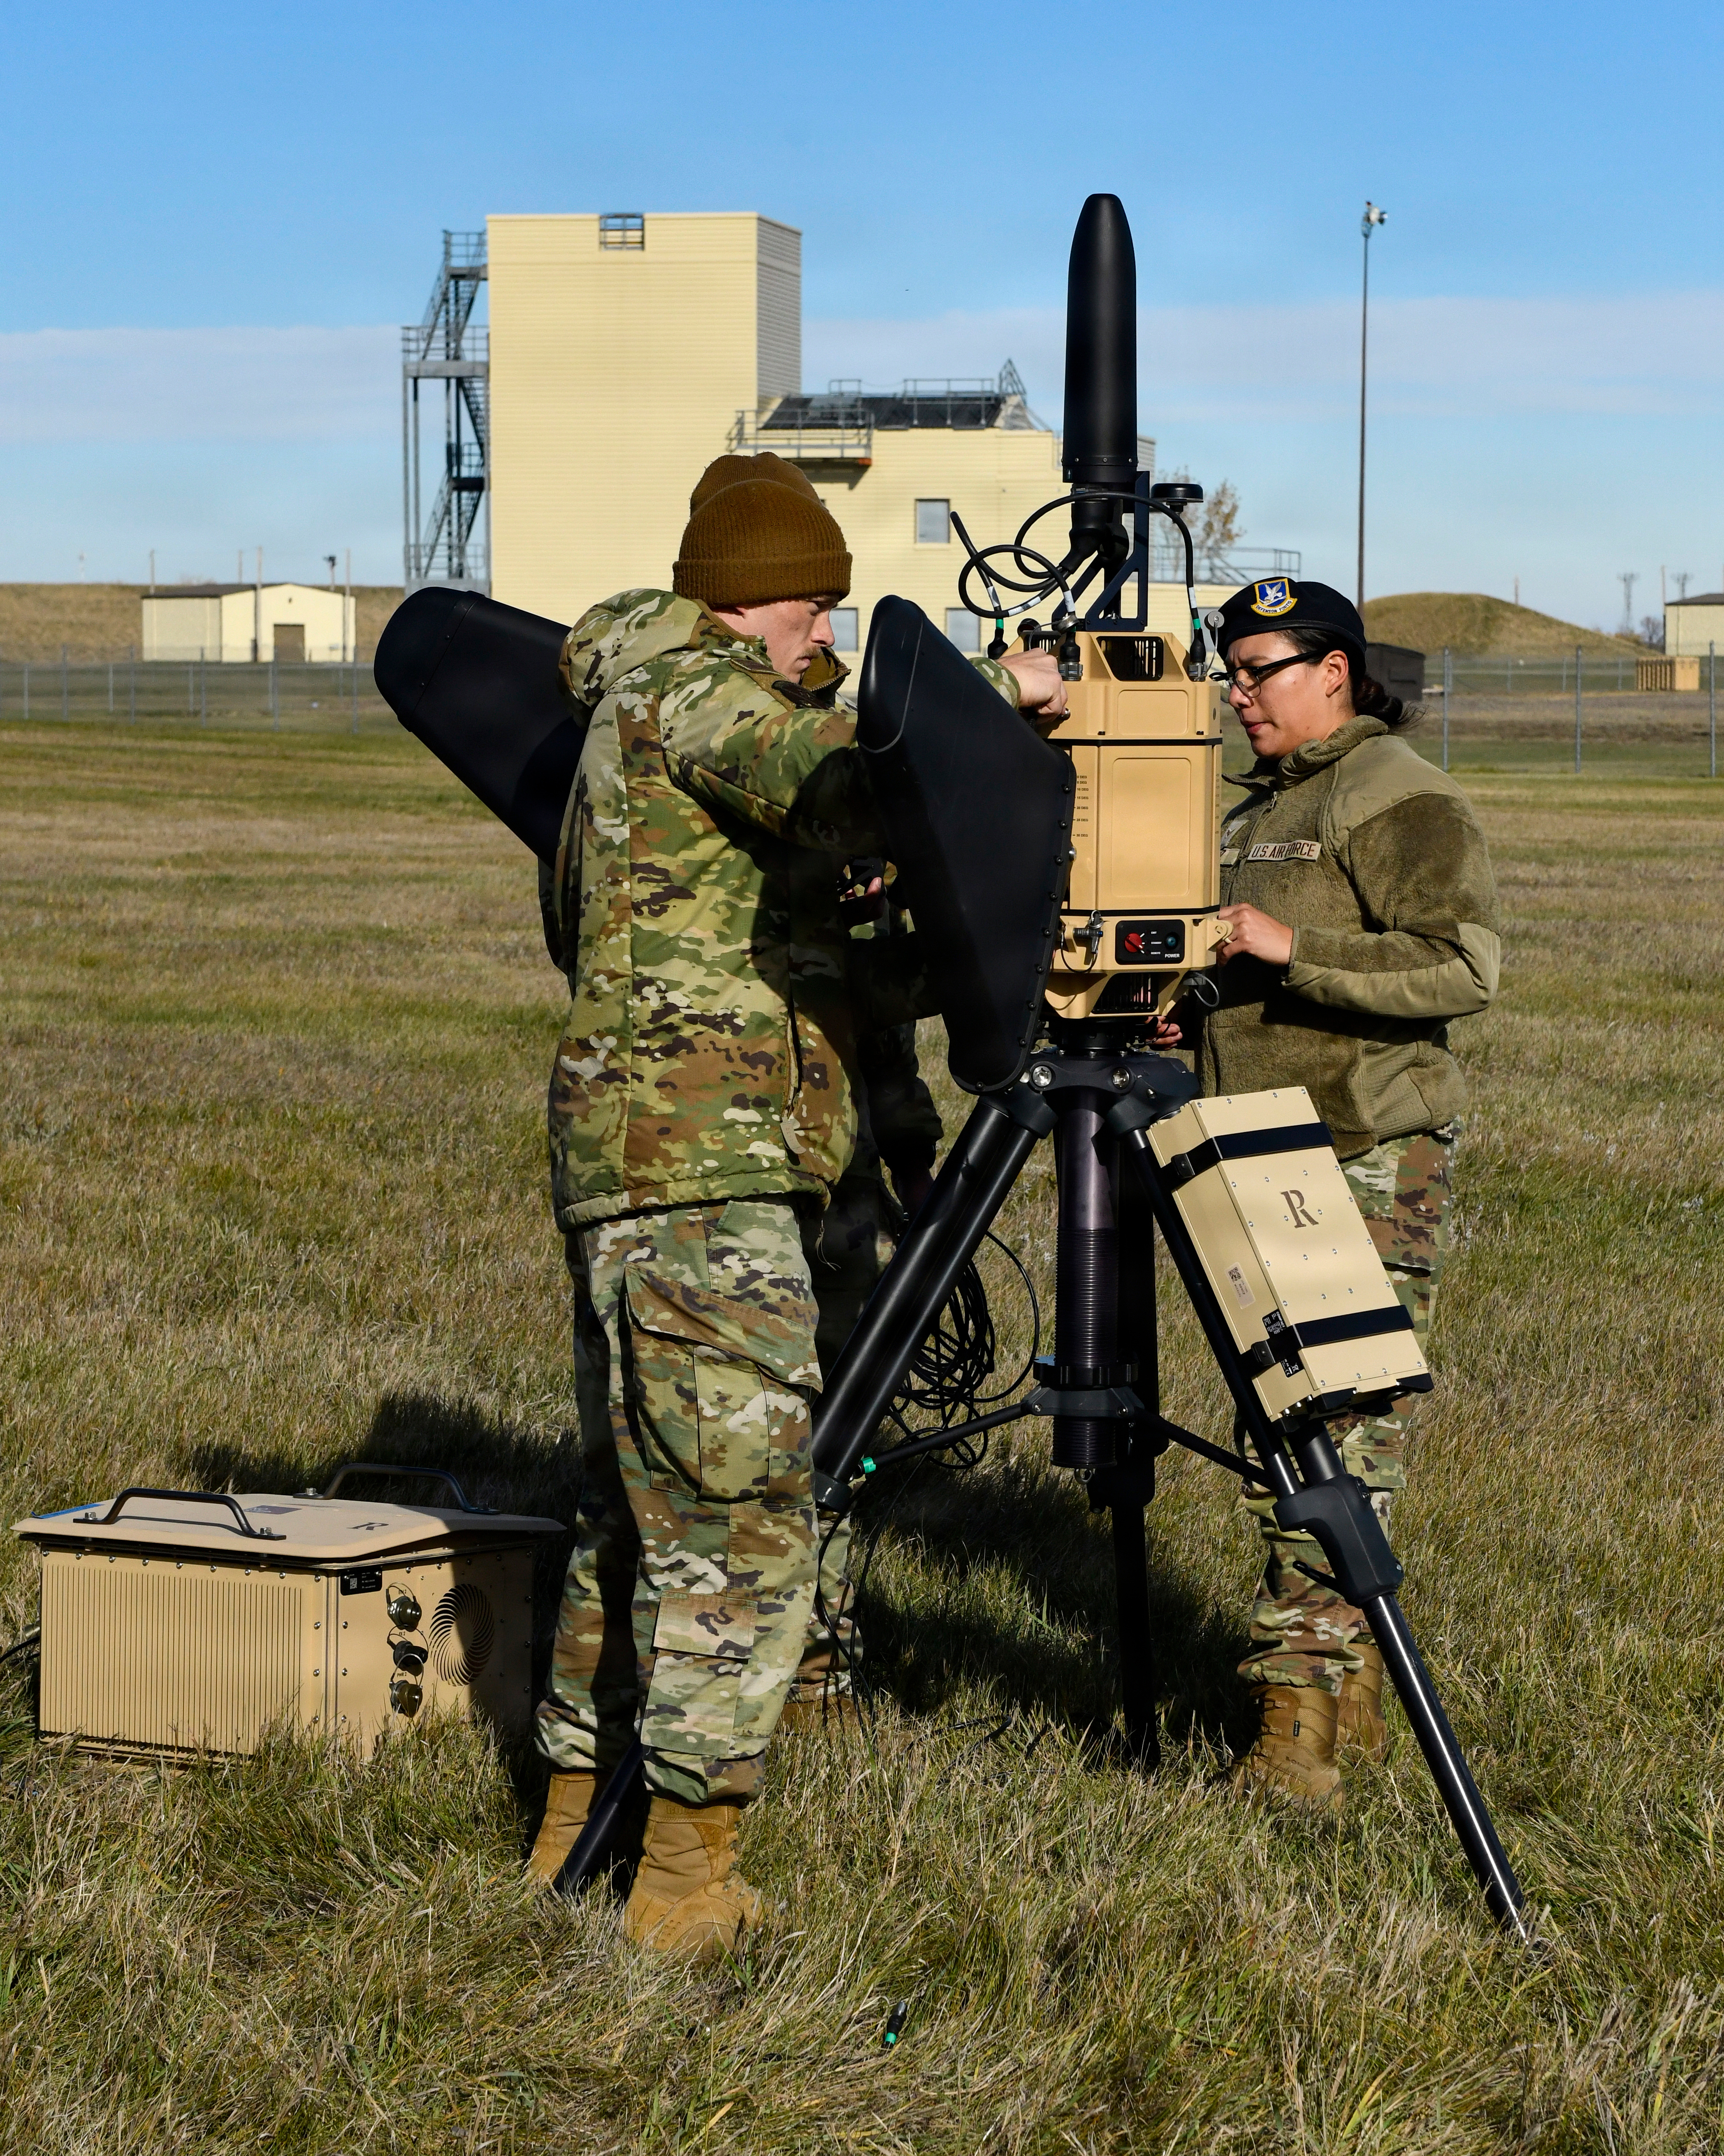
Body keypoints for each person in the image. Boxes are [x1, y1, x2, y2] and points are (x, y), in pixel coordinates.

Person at [523, 452, 1065, 1955]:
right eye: (812, 609)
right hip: (702, 1174)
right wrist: (984, 717)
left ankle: (576, 1835)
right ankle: (683, 1892)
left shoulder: (653, 700)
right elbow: (828, 780)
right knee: (742, 1524)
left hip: (661, 1163)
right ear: (749, 600)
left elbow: (829, 949)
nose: (825, 638)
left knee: (637, 1512)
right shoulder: (697, 694)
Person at [1173, 578, 1500, 1810]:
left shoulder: (1398, 795)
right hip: (1254, 1146)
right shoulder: (1271, 801)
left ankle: (1297, 1730)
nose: (1239, 692)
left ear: (1337, 671)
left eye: (1261, 668)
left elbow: (1460, 968)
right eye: (1232, 670)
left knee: (1329, 1434)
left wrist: (1287, 947)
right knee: (1293, 1426)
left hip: (1357, 1153)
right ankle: (1350, 1698)